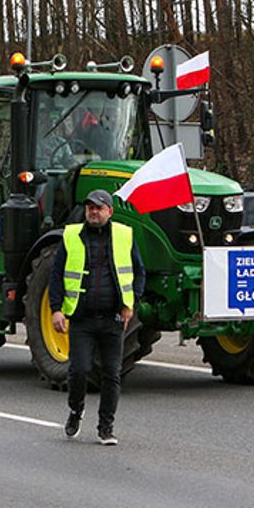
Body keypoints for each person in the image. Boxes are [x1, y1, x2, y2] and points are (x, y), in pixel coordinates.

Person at [48, 189, 145, 446]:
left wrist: (130, 304)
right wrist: (56, 309)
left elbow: (139, 272)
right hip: (82, 319)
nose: (93, 211)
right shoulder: (71, 236)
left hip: (113, 318)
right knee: (79, 369)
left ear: (109, 212)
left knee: (112, 374)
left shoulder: (124, 236)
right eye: (90, 207)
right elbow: (56, 275)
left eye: (99, 208)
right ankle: (75, 410)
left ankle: (106, 428)